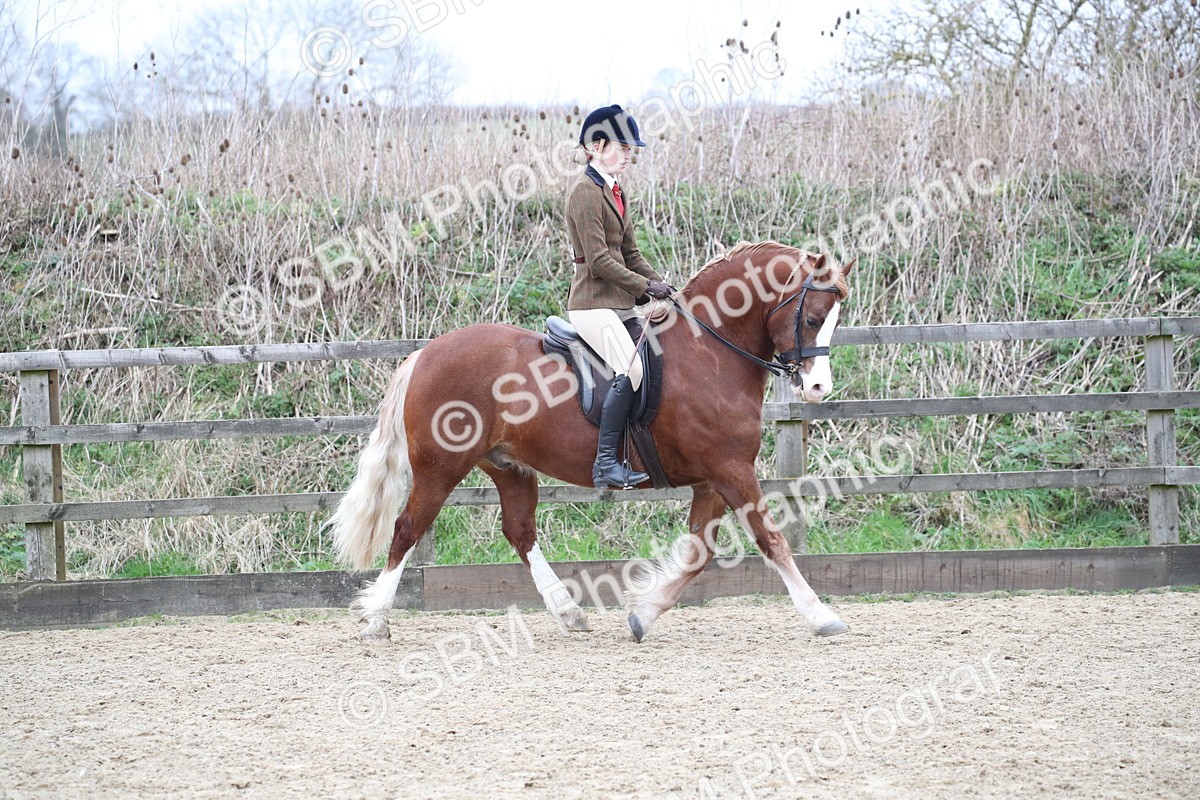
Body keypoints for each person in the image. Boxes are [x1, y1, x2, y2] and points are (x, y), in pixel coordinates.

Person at [566, 104, 674, 489]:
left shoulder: (615, 190)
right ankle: (606, 463)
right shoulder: (584, 192)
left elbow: (630, 254)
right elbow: (597, 261)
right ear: (596, 146)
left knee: (665, 355)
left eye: (631, 149)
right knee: (633, 369)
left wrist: (665, 286)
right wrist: (645, 289)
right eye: (622, 148)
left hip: (621, 306)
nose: (629, 155)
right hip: (592, 305)